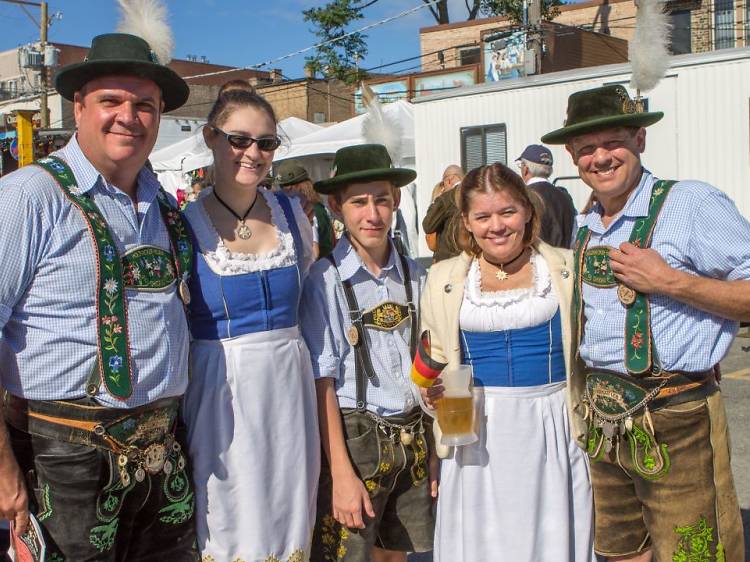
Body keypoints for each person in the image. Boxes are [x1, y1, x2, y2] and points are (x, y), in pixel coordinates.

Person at [0, 28, 198, 560]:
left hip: (163, 453)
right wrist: (3, 472)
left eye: (144, 105)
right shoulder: (28, 197)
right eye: (111, 100)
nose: (127, 117)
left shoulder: (166, 210)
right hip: (61, 458)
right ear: (79, 105)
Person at [541, 84, 749, 561]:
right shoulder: (584, 224)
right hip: (603, 416)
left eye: (612, 141)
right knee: (620, 552)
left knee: (695, 554)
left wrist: (671, 281)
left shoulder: (691, 203)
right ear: (573, 156)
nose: (600, 157)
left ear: (640, 140)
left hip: (677, 413)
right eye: (586, 149)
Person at [418, 163, 595, 561]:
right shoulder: (443, 278)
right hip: (475, 434)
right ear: (465, 221)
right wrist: (429, 395)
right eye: (482, 216)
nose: (496, 226)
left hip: (551, 426)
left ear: (528, 211)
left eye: (507, 212)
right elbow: (431, 358)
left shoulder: (566, 268)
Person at [180, 82, 319, 561]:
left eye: (266, 143)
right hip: (220, 387)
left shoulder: (292, 215)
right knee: (229, 510)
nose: (253, 152)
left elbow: (311, 302)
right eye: (239, 139)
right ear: (211, 137)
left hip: (288, 383)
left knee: (287, 506)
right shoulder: (184, 224)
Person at [300, 144, 434, 562]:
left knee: (396, 554)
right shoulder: (324, 280)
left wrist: (436, 448)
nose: (372, 214)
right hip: (357, 444)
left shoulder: (416, 275)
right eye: (358, 202)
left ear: (395, 200)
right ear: (336, 205)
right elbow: (323, 382)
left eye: (381, 199)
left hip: (413, 435)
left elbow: (432, 362)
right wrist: (340, 472)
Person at [516, 144, 576, 248]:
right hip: (565, 261)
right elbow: (574, 236)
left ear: (525, 169)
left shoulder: (522, 197)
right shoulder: (565, 197)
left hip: (534, 262)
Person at [276, 158, 336, 259]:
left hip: (317, 270)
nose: (284, 194)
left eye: (286, 189)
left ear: (296, 188)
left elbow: (314, 253)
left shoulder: (305, 211)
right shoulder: (320, 206)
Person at [423, 165, 465, 262]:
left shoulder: (446, 198)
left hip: (449, 262)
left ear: (449, 180)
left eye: (443, 183)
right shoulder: (474, 194)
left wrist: (438, 199)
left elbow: (428, 225)